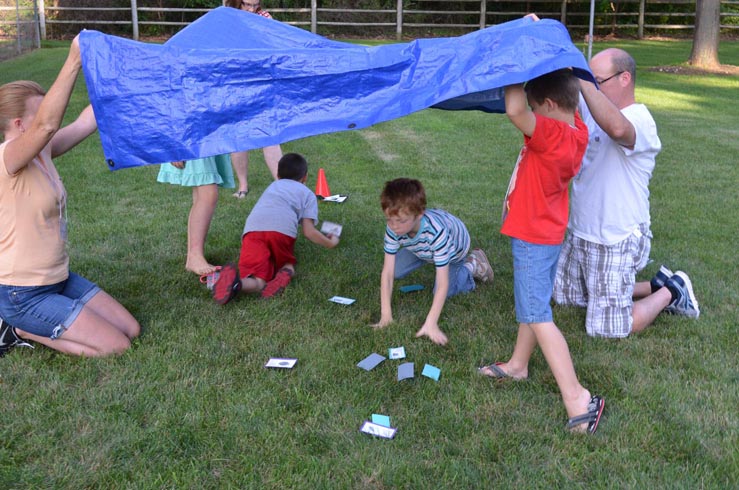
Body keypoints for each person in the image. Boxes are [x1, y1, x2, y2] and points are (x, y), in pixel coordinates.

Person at [478, 69, 604, 434]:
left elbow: (515, 110)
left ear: (548, 106)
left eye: (537, 108)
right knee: (534, 306)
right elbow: (557, 100)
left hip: (533, 237)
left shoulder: (550, 133)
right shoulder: (578, 130)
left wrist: (516, 63)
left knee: (536, 313)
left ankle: (578, 398)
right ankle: (519, 365)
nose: (531, 116)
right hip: (547, 233)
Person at [0, 36, 140, 357]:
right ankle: (19, 327)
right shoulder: (7, 158)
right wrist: (74, 59)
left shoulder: (43, 151)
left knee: (131, 329)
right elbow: (47, 126)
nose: (52, 113)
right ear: (21, 125)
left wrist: (121, 82)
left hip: (58, 278)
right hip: (23, 292)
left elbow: (84, 121)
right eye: (41, 111)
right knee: (117, 346)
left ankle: (32, 322)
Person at [553, 48, 699, 339]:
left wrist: (582, 79)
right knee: (566, 298)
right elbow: (560, 96)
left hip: (616, 235)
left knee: (606, 329)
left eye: (596, 80)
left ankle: (672, 290)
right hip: (582, 230)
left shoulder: (640, 118)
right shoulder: (595, 105)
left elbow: (618, 129)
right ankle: (651, 284)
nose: (589, 86)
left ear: (624, 78)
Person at [372, 178, 494, 346]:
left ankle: (473, 264)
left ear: (419, 214)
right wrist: (385, 315)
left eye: (400, 221)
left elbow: (442, 284)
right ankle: (429, 256)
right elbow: (387, 273)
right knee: (395, 270)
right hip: (422, 248)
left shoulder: (437, 233)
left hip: (455, 250)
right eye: (389, 220)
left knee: (442, 290)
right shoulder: (396, 226)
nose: (393, 226)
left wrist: (431, 322)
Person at [212, 153, 339, 304]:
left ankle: (236, 283)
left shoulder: (272, 186)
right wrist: (330, 243)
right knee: (287, 263)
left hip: (252, 230)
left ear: (278, 175)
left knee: (258, 280)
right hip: (281, 232)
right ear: (305, 177)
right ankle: (283, 274)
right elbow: (309, 231)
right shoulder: (308, 194)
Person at [224, 0, 283, 199]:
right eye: (247, 4)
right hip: (235, 83)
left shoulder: (264, 18)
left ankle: (281, 184)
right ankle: (242, 185)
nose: (251, 9)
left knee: (269, 135)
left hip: (261, 82)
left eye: (255, 4)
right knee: (239, 137)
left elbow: (274, 46)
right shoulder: (226, 19)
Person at [157, 154, 235, 276]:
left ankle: (195, 256)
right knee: (208, 194)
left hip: (203, 139)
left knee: (202, 192)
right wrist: (174, 149)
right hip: (191, 141)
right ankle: (195, 255)